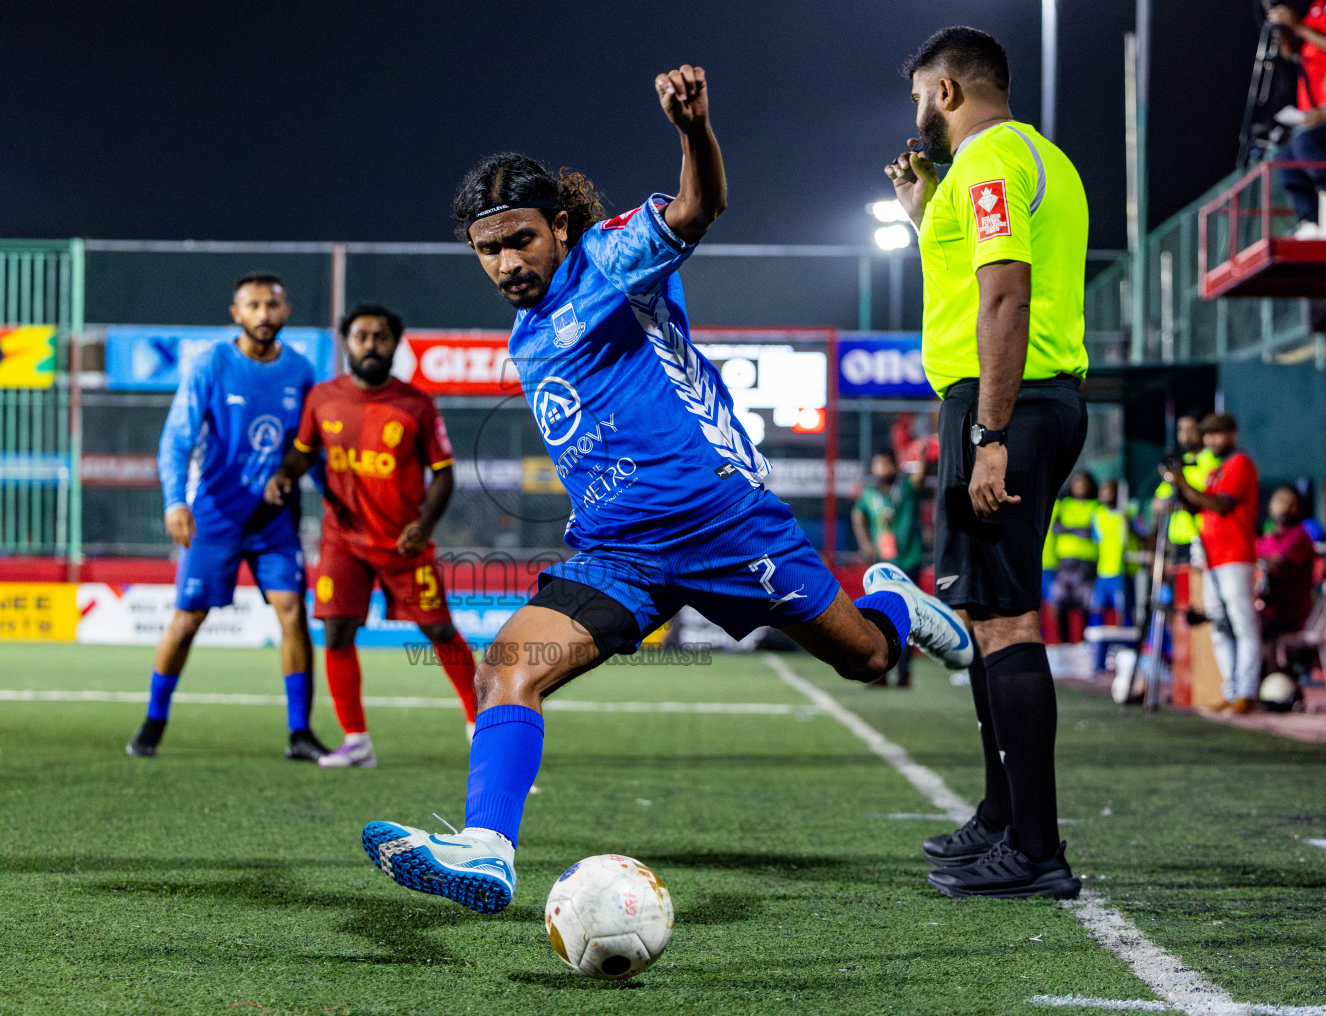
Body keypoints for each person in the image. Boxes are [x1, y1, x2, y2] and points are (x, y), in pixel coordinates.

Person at [357, 64, 973, 915]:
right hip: (619, 552)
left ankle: (897, 605)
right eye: (489, 249)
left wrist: (692, 132)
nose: (506, 262)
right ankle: (488, 851)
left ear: (560, 226)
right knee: (509, 666)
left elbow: (698, 209)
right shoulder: (527, 336)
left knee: (866, 659)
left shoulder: (611, 257)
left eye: (521, 241)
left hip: (722, 521)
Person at [886, 26, 1088, 899]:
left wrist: (990, 434)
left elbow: (1005, 295)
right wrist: (921, 208)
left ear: (948, 91)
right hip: (1025, 398)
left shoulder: (992, 159)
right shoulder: (1034, 159)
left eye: (920, 96)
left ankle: (1036, 849)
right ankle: (1003, 820)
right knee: (983, 613)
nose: (917, 113)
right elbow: (976, 273)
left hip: (1009, 403)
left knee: (1003, 620)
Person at [125, 273, 329, 760]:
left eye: (272, 305)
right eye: (253, 305)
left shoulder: (301, 372)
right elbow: (177, 438)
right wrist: (175, 501)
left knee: (293, 613)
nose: (263, 314)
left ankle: (299, 733)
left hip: (276, 521)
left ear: (286, 312)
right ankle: (154, 720)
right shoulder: (212, 364)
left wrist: (336, 503)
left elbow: (311, 451)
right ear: (235, 314)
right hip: (213, 517)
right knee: (187, 619)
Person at [265, 303, 478, 767]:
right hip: (343, 539)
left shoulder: (416, 404)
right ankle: (356, 741)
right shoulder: (323, 398)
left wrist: (424, 526)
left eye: (381, 336)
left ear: (395, 343)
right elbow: (303, 454)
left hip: (404, 540)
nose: (370, 345)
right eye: (361, 336)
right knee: (338, 632)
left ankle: (478, 721)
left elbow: (444, 474)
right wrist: (285, 474)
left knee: (438, 629)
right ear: (346, 342)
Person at [1161, 412, 1261, 715]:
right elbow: (1196, 507)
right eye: (1207, 436)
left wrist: (1182, 481)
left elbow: (1220, 505)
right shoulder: (1213, 472)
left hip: (1236, 555)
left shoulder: (1239, 464)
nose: (1211, 440)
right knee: (1219, 624)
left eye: (1217, 434)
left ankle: (1247, 691)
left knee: (1242, 623)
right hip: (1211, 557)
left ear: (1232, 434)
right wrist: (1178, 484)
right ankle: (1231, 690)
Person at [852, 449, 927, 686]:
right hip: (881, 567)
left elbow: (920, 477)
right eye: (877, 465)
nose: (881, 469)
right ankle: (880, 672)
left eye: (885, 464)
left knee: (908, 619)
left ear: (895, 466)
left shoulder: (906, 488)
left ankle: (904, 674)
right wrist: (864, 542)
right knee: (879, 618)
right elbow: (857, 516)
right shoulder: (869, 494)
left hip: (909, 561)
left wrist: (922, 454)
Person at [1267, 2, 1326, 236]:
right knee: (1284, 158)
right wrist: (1282, 27)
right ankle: (1310, 222)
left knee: (1306, 144)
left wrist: (1298, 27)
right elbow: (1292, 52)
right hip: (1312, 115)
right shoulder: (1316, 8)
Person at [1152, 414, 1217, 565]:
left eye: (1191, 429)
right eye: (1181, 429)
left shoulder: (1212, 460)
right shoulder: (1178, 462)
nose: (1185, 434)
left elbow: (1207, 500)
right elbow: (1157, 503)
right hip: (1177, 539)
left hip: (1201, 536)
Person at [1257, 485, 1317, 640]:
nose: (1284, 505)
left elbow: (1279, 563)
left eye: (1289, 501)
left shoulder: (1299, 536)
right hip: (1263, 610)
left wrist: (1251, 563)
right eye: (1280, 500)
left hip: (1288, 616)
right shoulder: (1266, 539)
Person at [1047, 471, 1100, 645]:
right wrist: (1078, 530)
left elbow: (1090, 532)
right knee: (1060, 604)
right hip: (1065, 565)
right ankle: (1064, 644)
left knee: (1085, 606)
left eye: (1084, 483)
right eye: (1077, 483)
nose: (1080, 487)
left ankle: (1084, 644)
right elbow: (1056, 527)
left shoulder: (1096, 506)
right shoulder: (1065, 504)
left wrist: (1069, 529)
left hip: (1086, 565)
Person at [1090, 479, 1133, 672]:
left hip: (1122, 574)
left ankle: (1127, 662)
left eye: (1109, 490)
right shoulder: (1097, 515)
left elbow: (1142, 536)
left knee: (1124, 619)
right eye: (1103, 490)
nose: (1105, 493)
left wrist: (1128, 523)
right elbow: (1096, 540)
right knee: (1097, 614)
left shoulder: (1129, 513)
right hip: (1103, 574)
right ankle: (1097, 663)